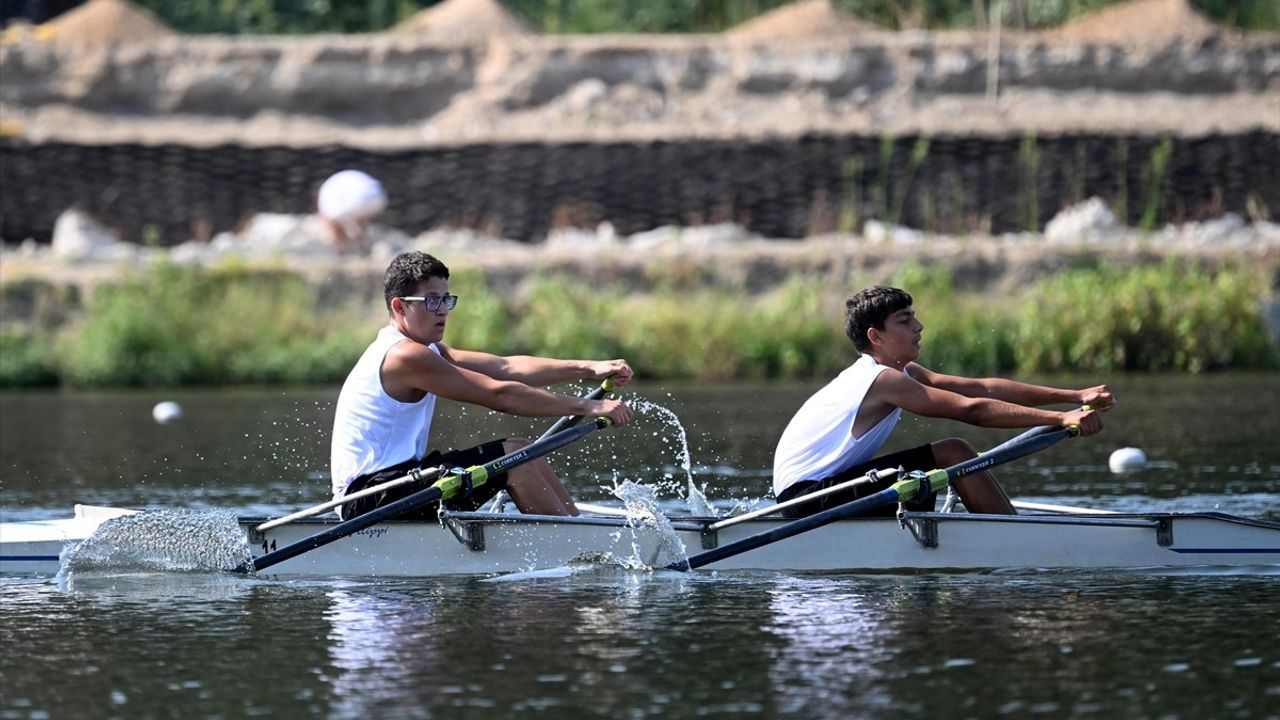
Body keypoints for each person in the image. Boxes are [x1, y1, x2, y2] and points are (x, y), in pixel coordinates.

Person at [330, 250, 635, 521]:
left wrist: (588, 368)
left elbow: (505, 368)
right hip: (368, 498)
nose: (442, 310)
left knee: (523, 449)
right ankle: (576, 549)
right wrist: (589, 406)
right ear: (399, 307)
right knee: (516, 461)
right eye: (432, 301)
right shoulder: (404, 356)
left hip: (400, 483)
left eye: (446, 300)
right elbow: (498, 394)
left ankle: (577, 529)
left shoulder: (426, 349)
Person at [772, 285, 1113, 518]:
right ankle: (1009, 535)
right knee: (953, 452)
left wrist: (1075, 396)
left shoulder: (900, 371)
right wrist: (1059, 420)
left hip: (821, 491)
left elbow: (981, 389)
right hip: (806, 500)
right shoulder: (883, 379)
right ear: (876, 337)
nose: (919, 327)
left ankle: (1005, 527)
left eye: (914, 317)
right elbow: (972, 411)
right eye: (905, 321)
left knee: (951, 454)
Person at [317, 169, 387, 255]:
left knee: (333, 222)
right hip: (377, 195)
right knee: (360, 219)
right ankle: (362, 249)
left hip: (355, 199)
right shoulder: (335, 183)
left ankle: (341, 251)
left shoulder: (325, 198)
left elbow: (329, 218)